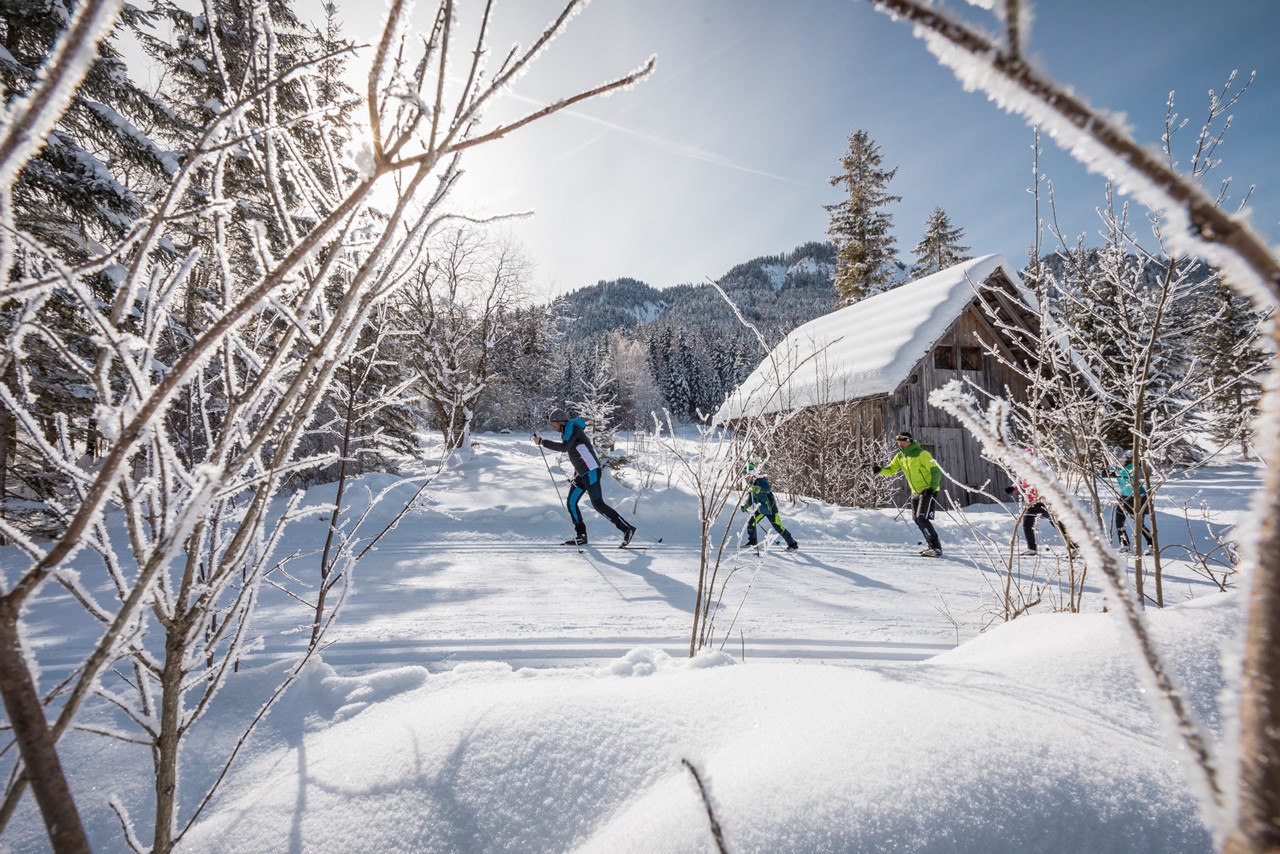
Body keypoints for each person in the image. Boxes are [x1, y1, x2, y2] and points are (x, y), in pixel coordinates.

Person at [534, 408, 636, 547]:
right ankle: (581, 536)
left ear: (560, 422)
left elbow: (565, 448)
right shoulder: (566, 430)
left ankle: (627, 529)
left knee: (598, 504)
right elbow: (578, 454)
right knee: (571, 503)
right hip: (582, 474)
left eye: (554, 424)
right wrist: (575, 474)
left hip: (591, 471)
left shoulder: (571, 427)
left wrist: (542, 442)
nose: (553, 427)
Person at [871, 432, 944, 557]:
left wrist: (931, 488)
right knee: (916, 519)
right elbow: (891, 470)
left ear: (909, 441)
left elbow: (936, 471)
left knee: (922, 518)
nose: (900, 443)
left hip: (927, 490)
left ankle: (936, 548)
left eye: (902, 441)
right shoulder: (900, 456)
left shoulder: (922, 454)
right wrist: (880, 470)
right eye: (898, 441)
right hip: (915, 492)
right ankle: (930, 546)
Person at [739, 462, 799, 551]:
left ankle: (792, 544)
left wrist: (757, 489)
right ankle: (752, 542)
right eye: (744, 475)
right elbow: (751, 498)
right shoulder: (751, 485)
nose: (745, 478)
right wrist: (746, 505)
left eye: (746, 475)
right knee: (751, 522)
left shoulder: (761, 480)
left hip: (770, 509)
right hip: (761, 509)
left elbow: (767, 489)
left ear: (752, 473)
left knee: (778, 527)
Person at [1110, 453, 1153, 554]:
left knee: (1139, 524)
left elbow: (1129, 474)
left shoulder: (1131, 467)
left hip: (1138, 497)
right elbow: (1104, 473)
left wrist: (1115, 470)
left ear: (1125, 459)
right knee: (1119, 522)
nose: (1117, 461)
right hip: (1124, 497)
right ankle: (1125, 544)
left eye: (1119, 459)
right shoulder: (1116, 468)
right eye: (1115, 460)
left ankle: (1152, 544)